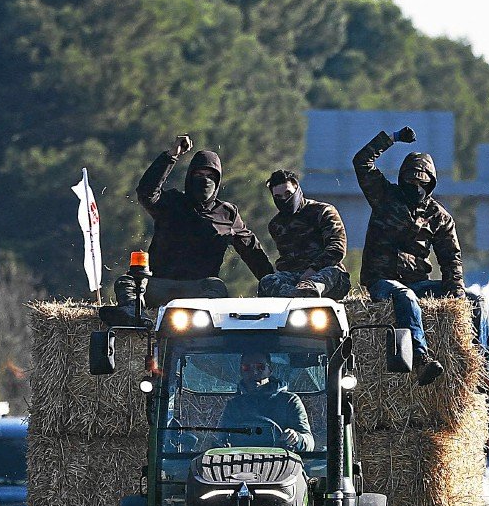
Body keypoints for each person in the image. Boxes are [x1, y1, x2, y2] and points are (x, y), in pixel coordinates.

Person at [353, 125, 489, 390]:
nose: (416, 187)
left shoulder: (439, 216)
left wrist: (456, 294)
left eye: (422, 183)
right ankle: (421, 358)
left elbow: (451, 259)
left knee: (476, 301)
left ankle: (483, 372)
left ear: (431, 184)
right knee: (405, 296)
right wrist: (393, 138)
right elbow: (362, 161)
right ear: (402, 179)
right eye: (411, 181)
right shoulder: (384, 196)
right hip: (383, 282)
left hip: (419, 282)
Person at [100, 135, 274, 326]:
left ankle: (201, 324)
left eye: (210, 176)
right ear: (189, 177)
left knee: (217, 287)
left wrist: (272, 286)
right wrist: (171, 156)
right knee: (127, 282)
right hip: (160, 283)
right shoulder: (172, 202)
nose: (205, 180)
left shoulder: (227, 213)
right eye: (199, 175)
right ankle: (133, 314)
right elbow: (146, 192)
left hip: (199, 289)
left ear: (218, 181)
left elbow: (251, 251)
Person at [257, 170, 351, 299]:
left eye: (288, 193)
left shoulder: (322, 211)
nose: (284, 199)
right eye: (278, 197)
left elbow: (337, 249)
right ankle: (297, 296)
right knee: (267, 281)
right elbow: (286, 260)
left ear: (297, 189)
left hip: (327, 274)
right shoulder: (276, 225)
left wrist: (312, 271)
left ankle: (308, 292)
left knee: (331, 272)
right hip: (295, 277)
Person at [218, 351, 315, 452]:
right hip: (239, 464)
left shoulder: (290, 401)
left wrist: (296, 438)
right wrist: (222, 446)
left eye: (260, 367)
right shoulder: (234, 405)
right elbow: (222, 439)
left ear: (270, 370)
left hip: (283, 464)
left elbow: (309, 442)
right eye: (246, 367)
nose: (254, 372)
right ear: (241, 371)